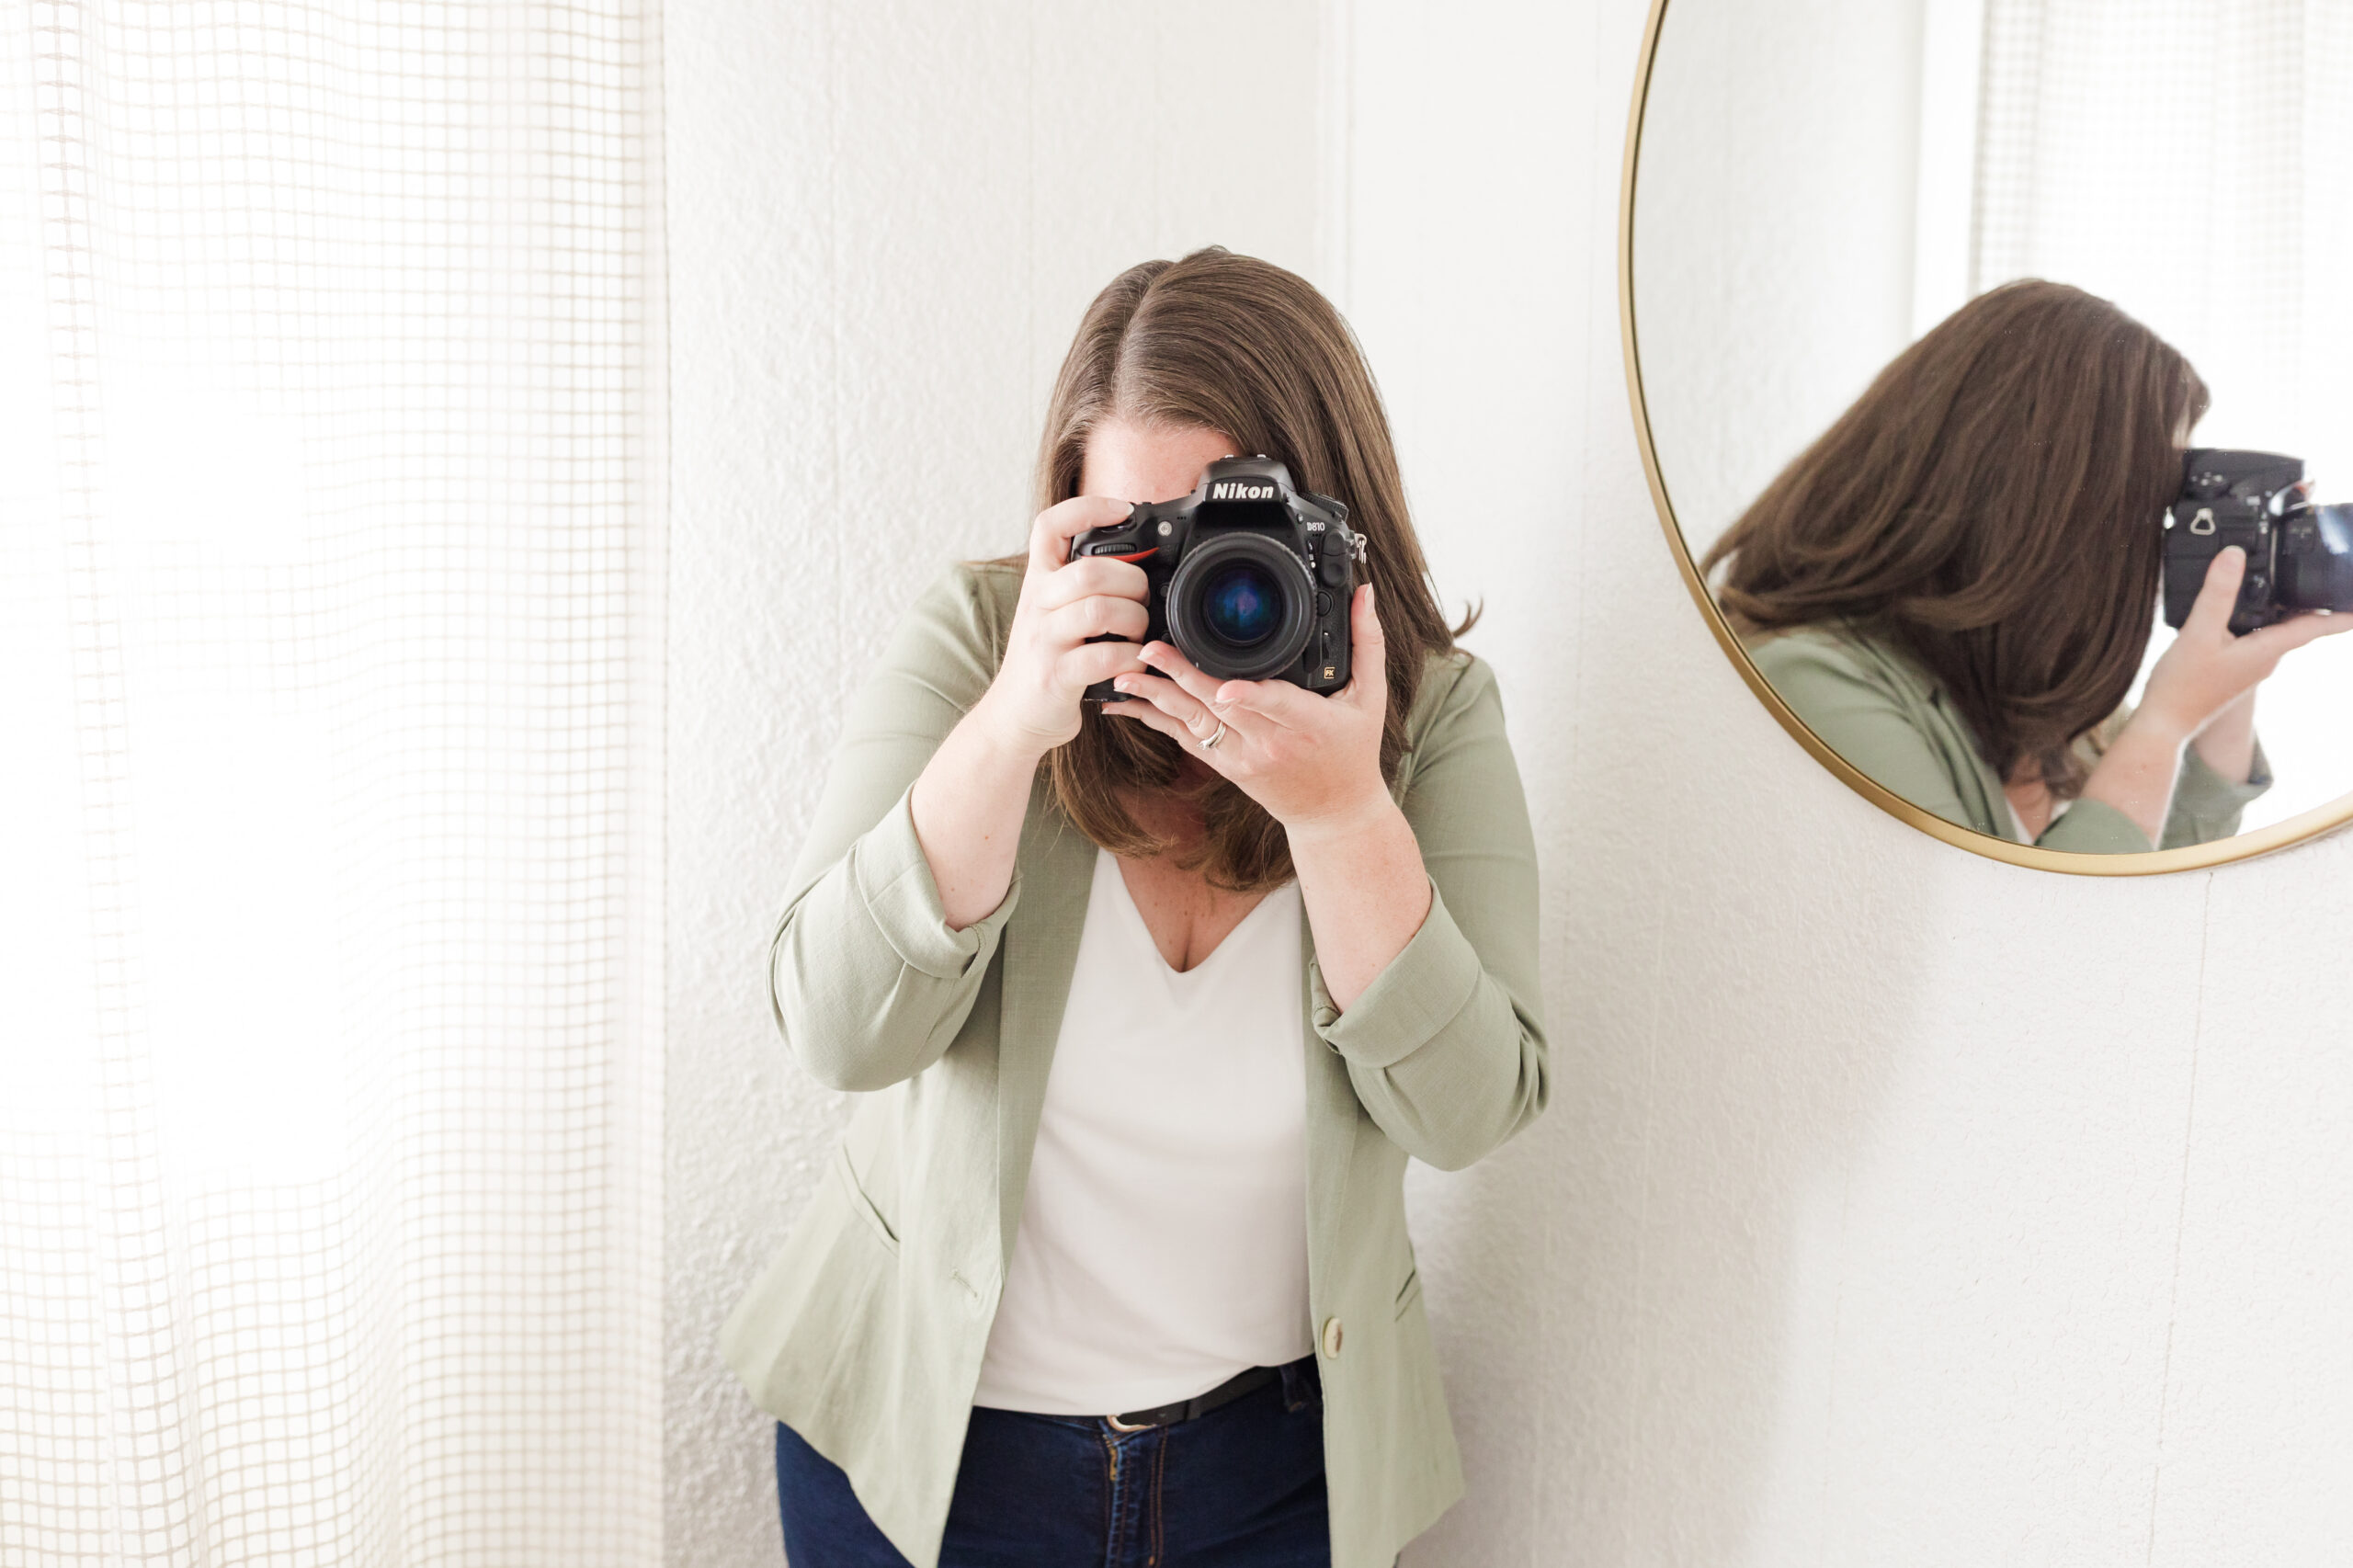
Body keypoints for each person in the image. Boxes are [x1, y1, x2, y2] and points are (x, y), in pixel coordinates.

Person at [722, 247, 1548, 1568]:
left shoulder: (1429, 720)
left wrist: (1341, 814)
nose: (1194, 593)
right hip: (936, 1447)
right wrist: (1012, 726)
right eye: (1140, 539)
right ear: (1069, 521)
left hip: (1278, 1474)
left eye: (1239, 534)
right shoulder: (983, 640)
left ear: (1333, 521)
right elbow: (837, 1031)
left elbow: (1469, 1109)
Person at [1705, 278, 2351, 852]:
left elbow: (2163, 877)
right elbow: (2019, 951)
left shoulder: (2049, 704)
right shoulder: (1815, 686)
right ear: (2053, 512)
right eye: (2160, 499)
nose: (2169, 532)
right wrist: (2161, 724)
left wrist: (2241, 639)